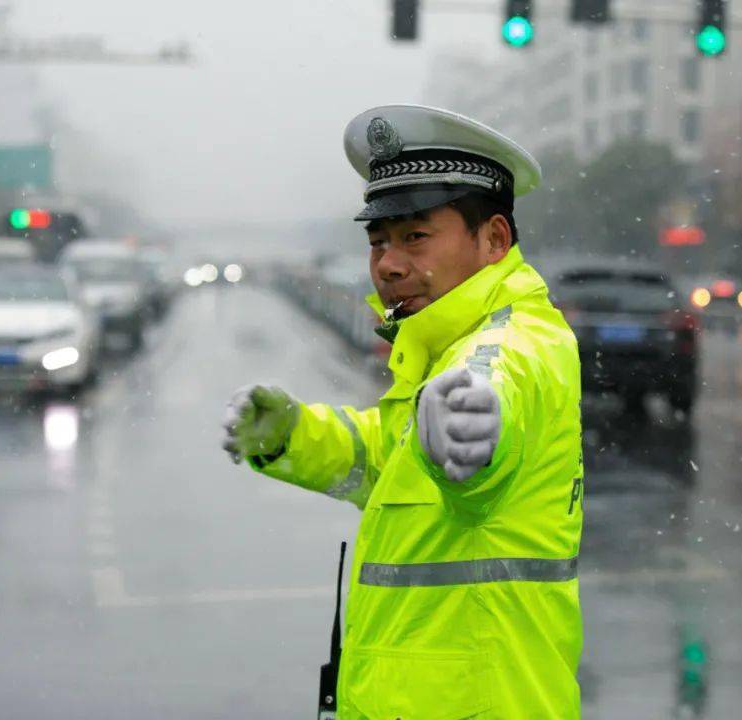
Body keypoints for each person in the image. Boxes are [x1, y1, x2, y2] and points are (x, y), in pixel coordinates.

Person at [221, 105, 583, 718]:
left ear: (494, 240)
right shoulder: (438, 346)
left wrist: (476, 435)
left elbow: (492, 400)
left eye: (415, 236)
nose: (388, 263)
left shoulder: (509, 345)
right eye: (378, 240)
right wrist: (292, 434)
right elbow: (393, 457)